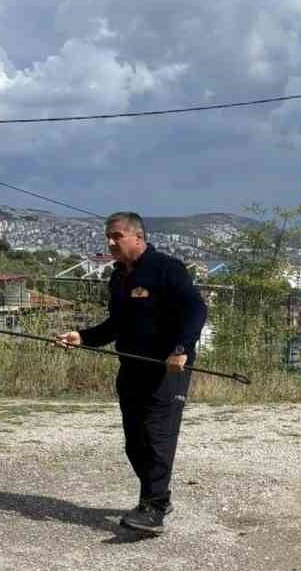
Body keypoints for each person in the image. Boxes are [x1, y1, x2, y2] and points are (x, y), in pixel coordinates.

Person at [57, 212, 207, 534]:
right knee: (135, 442)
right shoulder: (118, 277)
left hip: (167, 368)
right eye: (108, 237)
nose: (111, 243)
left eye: (117, 236)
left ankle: (153, 506)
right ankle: (157, 498)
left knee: (157, 437)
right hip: (131, 367)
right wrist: (84, 337)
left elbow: (196, 309)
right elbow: (116, 325)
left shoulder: (167, 269)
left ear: (137, 237)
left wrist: (182, 348)